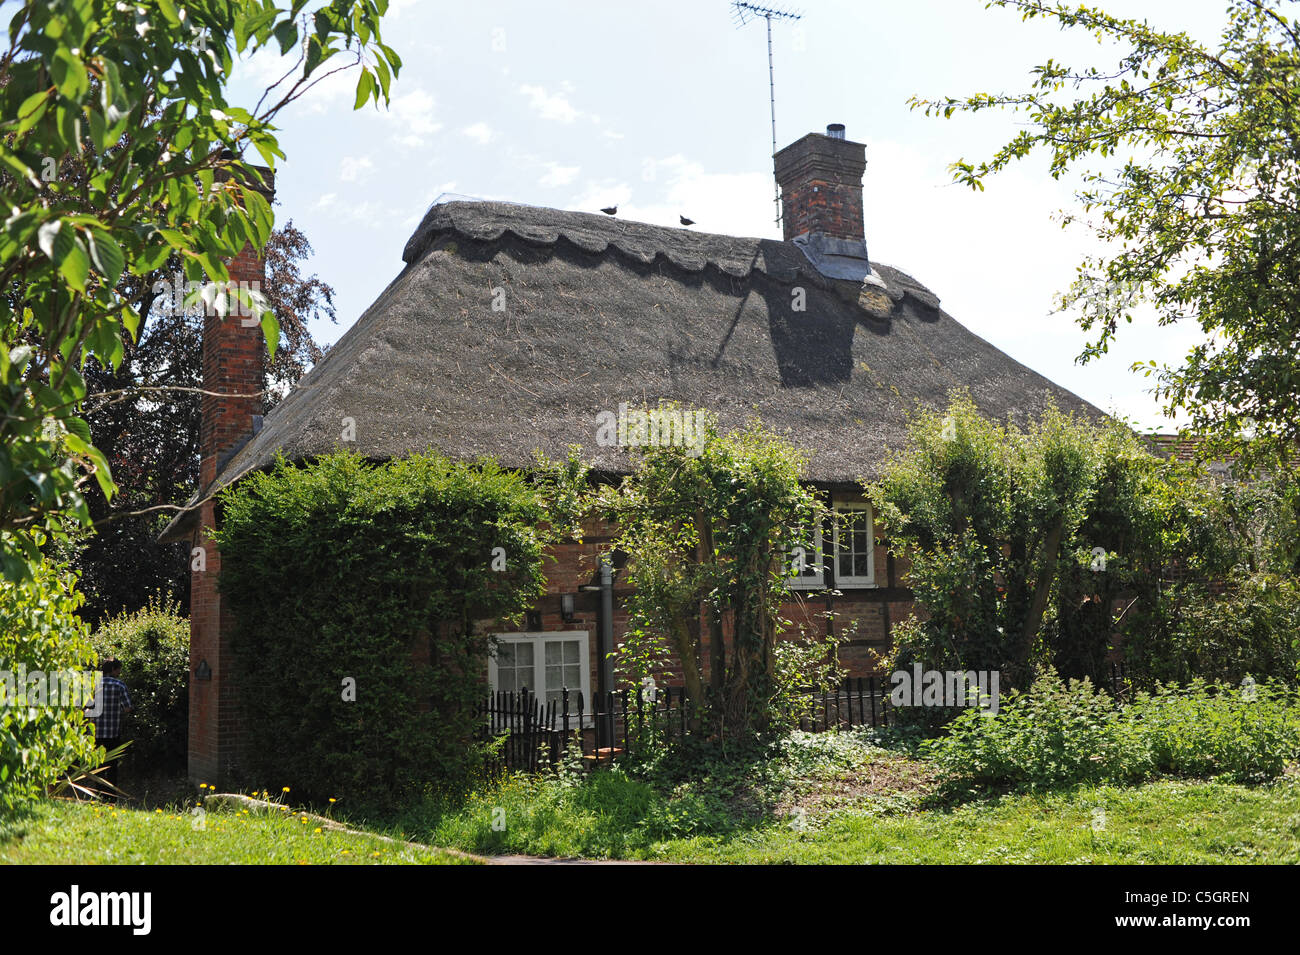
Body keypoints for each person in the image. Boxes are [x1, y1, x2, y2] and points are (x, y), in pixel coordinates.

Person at [85, 658, 132, 791]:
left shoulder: (92, 685)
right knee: (112, 765)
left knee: (97, 765)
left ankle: (98, 793)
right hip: (113, 732)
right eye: (118, 670)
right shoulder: (120, 685)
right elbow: (128, 708)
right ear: (112, 669)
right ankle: (110, 797)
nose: (119, 672)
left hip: (95, 733)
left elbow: (85, 707)